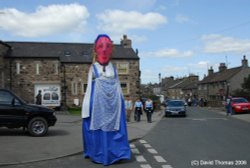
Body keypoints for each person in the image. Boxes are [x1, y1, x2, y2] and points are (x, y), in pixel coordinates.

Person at [81, 34, 130, 166]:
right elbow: (89, 90)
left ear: (111, 50)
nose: (103, 50)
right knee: (99, 130)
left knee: (114, 131)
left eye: (107, 46)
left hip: (114, 106)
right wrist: (86, 108)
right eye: (100, 46)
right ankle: (99, 153)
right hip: (98, 106)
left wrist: (123, 104)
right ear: (95, 50)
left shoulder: (114, 69)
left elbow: (119, 87)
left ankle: (116, 153)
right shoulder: (94, 68)